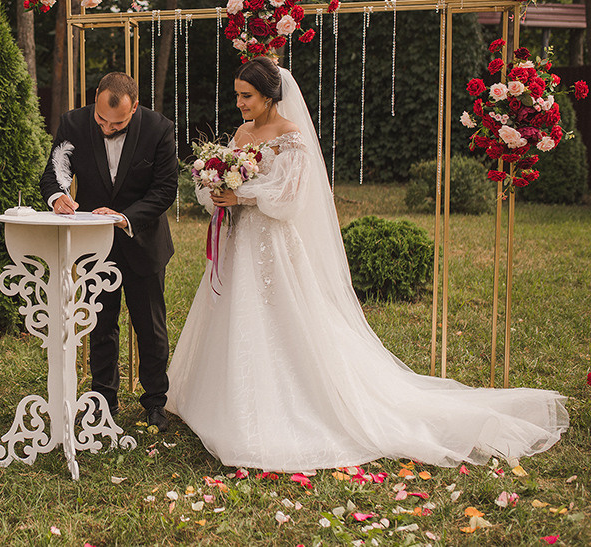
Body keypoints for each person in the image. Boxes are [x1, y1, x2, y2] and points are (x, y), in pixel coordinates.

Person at [167, 56, 568, 471]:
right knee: (235, 312)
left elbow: (289, 199)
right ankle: (223, 400)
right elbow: (230, 177)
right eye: (237, 95)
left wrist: (243, 195)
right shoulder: (242, 132)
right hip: (238, 243)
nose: (239, 103)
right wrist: (215, 187)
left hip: (274, 246)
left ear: (269, 96)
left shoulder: (291, 137)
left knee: (281, 319)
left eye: (246, 96)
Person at [40, 72, 179, 431]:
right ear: (96, 100)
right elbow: (53, 173)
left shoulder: (159, 129)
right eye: (101, 119)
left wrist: (124, 217)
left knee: (150, 327)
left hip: (143, 241)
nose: (106, 128)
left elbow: (165, 189)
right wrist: (57, 197)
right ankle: (103, 400)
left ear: (134, 107)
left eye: (116, 123)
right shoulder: (73, 124)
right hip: (95, 247)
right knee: (101, 326)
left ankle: (155, 402)